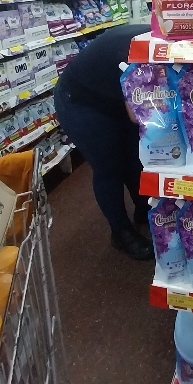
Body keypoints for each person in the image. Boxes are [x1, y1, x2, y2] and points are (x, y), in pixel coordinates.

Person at [54, 24, 154, 260]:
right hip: (81, 101)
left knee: (134, 156)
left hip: (112, 95)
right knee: (109, 167)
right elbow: (137, 115)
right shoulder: (136, 56)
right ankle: (121, 232)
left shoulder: (158, 43)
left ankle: (143, 210)